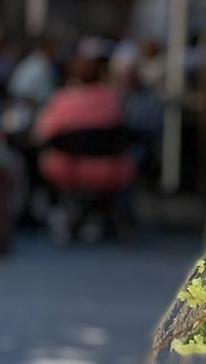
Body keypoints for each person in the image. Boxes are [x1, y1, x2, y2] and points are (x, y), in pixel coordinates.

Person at [33, 42, 137, 237]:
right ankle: (102, 218)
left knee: (44, 159)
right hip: (110, 169)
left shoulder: (63, 100)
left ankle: (60, 215)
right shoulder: (114, 99)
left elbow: (41, 134)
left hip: (70, 169)